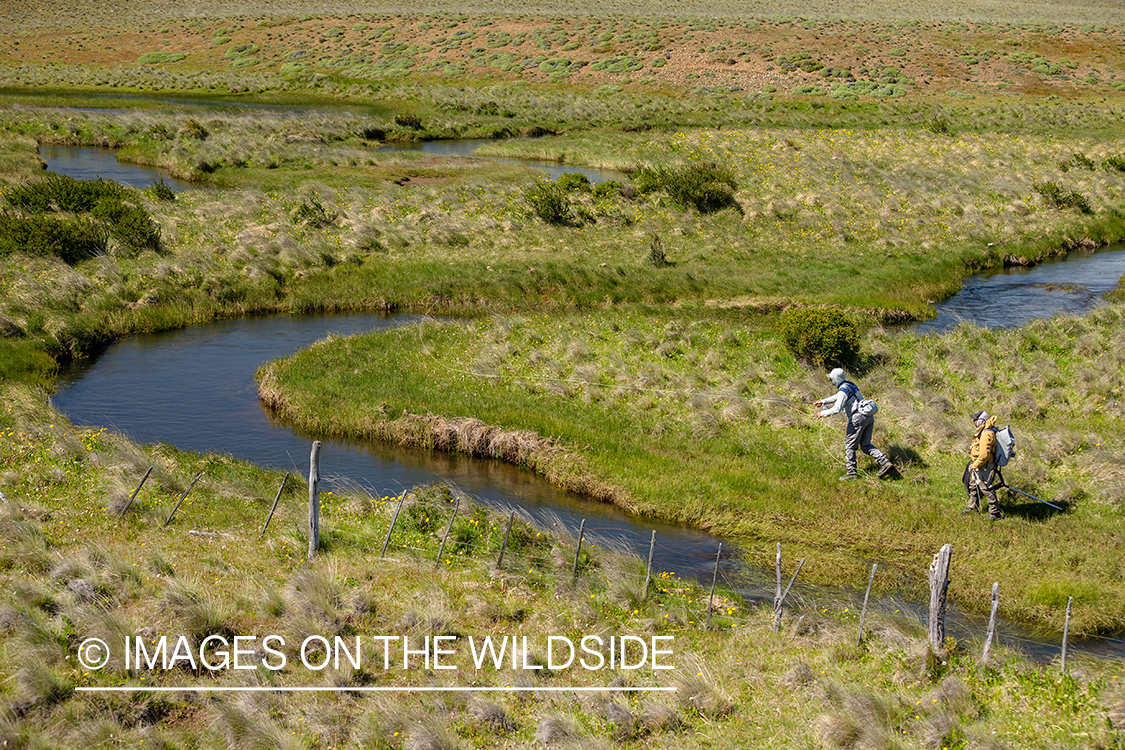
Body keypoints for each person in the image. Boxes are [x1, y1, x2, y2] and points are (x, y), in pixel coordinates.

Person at [814, 368, 896, 481]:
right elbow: (839, 397)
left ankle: (851, 473)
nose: (831, 382)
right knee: (865, 445)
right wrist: (823, 401)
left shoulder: (842, 391)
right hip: (868, 416)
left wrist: (822, 413)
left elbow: (837, 409)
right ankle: (885, 463)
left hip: (857, 418)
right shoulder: (850, 385)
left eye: (832, 380)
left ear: (837, 379)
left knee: (850, 446)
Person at [963, 410, 1002, 520]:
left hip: (984, 465)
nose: (974, 421)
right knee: (974, 485)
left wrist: (974, 465)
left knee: (986, 488)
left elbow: (984, 455)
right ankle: (972, 507)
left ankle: (995, 513)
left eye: (975, 419)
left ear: (981, 421)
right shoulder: (983, 431)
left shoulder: (986, 434)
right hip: (980, 465)